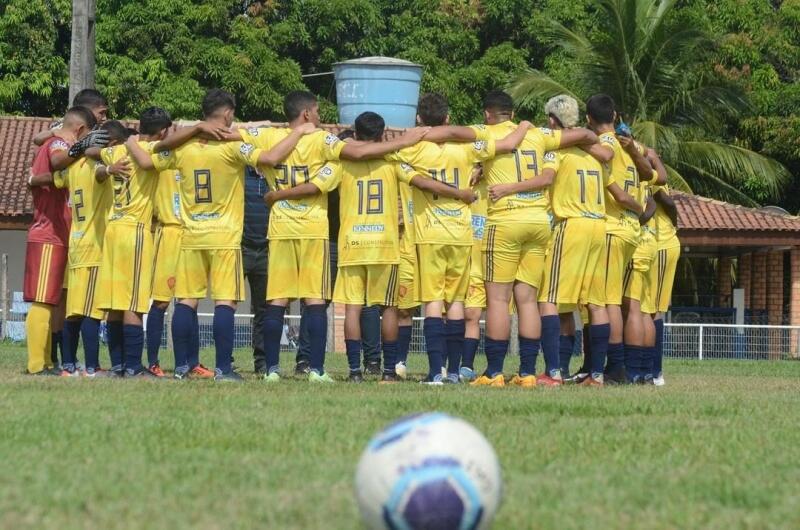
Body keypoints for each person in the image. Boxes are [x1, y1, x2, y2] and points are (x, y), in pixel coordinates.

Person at [267, 112, 476, 383]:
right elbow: (421, 180)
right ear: (382, 136)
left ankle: (355, 371)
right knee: (387, 307)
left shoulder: (341, 163)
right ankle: (389, 371)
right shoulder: (394, 159)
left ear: (355, 135)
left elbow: (314, 185)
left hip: (352, 243)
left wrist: (277, 194)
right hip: (384, 244)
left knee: (353, 308)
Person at [239, 90, 429, 383]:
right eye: (316, 111)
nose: (318, 117)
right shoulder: (331, 144)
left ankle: (275, 370)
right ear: (306, 114)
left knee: (278, 300)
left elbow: (230, 134)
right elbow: (332, 173)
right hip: (336, 233)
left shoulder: (267, 137)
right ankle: (326, 369)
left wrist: (277, 194)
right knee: (333, 301)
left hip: (293, 230)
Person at [130, 89, 314, 381]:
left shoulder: (183, 149)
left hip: (191, 235)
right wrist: (300, 132)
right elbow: (271, 156)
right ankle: (223, 369)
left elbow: (148, 159)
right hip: (224, 237)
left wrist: (131, 140)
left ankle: (181, 367)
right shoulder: (232, 149)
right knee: (224, 302)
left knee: (187, 301)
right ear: (227, 113)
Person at [467, 90, 600, 387]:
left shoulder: (485, 134)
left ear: (488, 114)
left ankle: (494, 372)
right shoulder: (539, 136)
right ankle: (527, 372)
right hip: (539, 222)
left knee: (498, 300)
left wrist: (479, 169)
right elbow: (584, 136)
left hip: (505, 220)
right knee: (527, 300)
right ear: (512, 114)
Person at [23, 106, 104, 374]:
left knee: (52, 300)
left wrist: (36, 180)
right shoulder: (59, 142)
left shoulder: (58, 141)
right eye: (87, 137)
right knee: (43, 300)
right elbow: (58, 161)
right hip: (48, 234)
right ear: (80, 131)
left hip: (58, 234)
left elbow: (55, 176)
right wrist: (79, 148)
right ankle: (36, 365)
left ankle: (47, 361)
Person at [585, 94, 648, 384]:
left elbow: (619, 194)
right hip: (631, 230)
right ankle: (613, 366)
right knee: (617, 302)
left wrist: (636, 206)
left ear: (588, 119)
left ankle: (615, 367)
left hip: (613, 228)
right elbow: (651, 174)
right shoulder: (631, 145)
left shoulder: (605, 146)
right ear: (615, 114)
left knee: (608, 301)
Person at [51, 116, 118, 376]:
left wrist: (35, 178)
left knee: (74, 310)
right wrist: (109, 166)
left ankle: (68, 364)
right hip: (93, 247)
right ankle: (91, 366)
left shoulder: (73, 165)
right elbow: (102, 172)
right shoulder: (94, 164)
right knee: (91, 312)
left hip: (77, 245)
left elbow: (55, 177)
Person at [647, 149, 679, 386]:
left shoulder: (651, 179)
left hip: (661, 244)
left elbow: (665, 201)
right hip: (658, 244)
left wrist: (675, 221)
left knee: (654, 309)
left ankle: (655, 371)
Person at [242, 165, 271, 375]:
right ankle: (224, 360)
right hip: (241, 247)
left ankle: (262, 362)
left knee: (263, 309)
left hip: (267, 250)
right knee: (226, 303)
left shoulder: (274, 176)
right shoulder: (240, 173)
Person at [460, 164, 488, 381]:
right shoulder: (459, 176)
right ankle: (442, 365)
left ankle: (466, 365)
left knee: (472, 315)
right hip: (456, 255)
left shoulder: (498, 184)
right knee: (446, 313)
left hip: (481, 260)